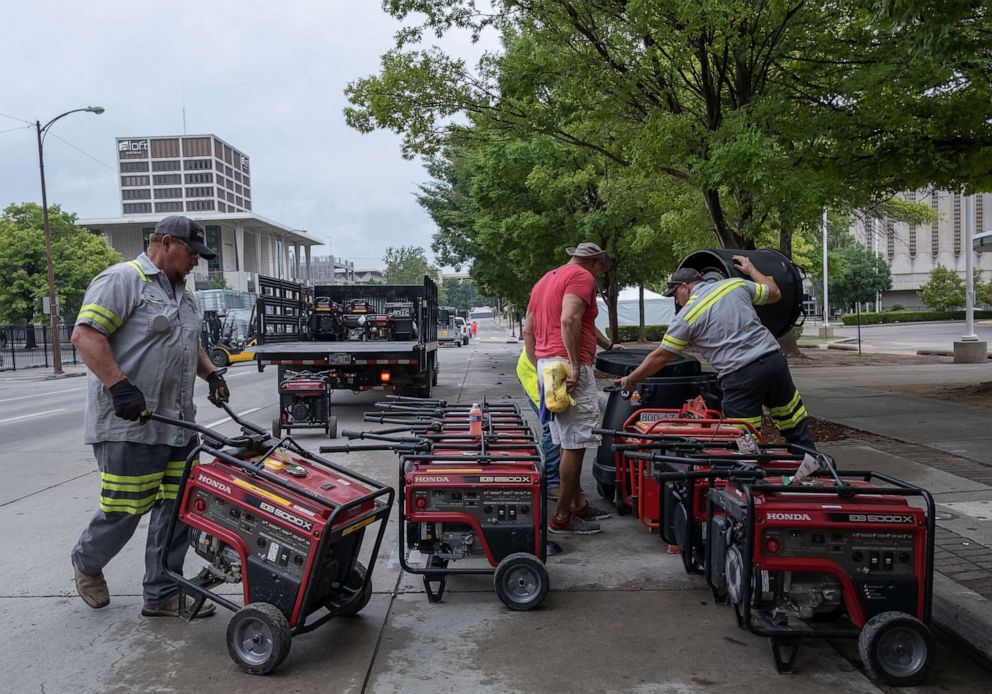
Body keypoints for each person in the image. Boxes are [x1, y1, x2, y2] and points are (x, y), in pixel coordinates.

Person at [70, 215, 232, 619]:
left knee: (179, 509)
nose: (196, 261)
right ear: (164, 242)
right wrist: (118, 385)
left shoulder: (185, 296)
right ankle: (87, 562)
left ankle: (162, 592)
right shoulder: (123, 280)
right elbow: (86, 335)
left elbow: (186, 344)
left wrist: (210, 372)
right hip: (129, 423)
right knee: (126, 507)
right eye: (191, 253)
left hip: (178, 425)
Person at [618, 257, 815, 449]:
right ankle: (811, 470)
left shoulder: (687, 316)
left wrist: (632, 378)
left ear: (684, 287)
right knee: (793, 422)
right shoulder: (735, 285)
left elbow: (661, 356)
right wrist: (751, 269)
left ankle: (749, 475)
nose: (676, 300)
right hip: (774, 362)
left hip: (741, 375)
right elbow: (774, 293)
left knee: (743, 439)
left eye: (675, 294)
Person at [523, 242, 618, 535]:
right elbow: (569, 319)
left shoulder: (545, 280)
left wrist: (541, 363)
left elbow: (529, 329)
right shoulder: (582, 277)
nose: (601, 273)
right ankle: (562, 518)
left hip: (547, 365)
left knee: (566, 438)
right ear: (595, 261)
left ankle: (578, 503)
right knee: (575, 444)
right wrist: (575, 365)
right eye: (602, 266)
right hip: (567, 364)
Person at [515, 349, 561, 498]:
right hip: (538, 372)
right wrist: (540, 370)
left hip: (546, 369)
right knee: (553, 424)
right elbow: (528, 333)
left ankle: (557, 478)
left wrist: (609, 345)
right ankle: (551, 482)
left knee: (557, 425)